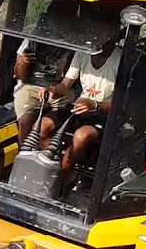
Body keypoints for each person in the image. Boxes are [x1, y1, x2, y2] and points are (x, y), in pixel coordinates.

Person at [41, 34, 122, 183]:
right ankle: (52, 167)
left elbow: (121, 103)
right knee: (42, 126)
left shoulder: (121, 59)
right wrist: (51, 90)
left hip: (104, 113)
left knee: (81, 136)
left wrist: (94, 105)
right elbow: (65, 85)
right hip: (79, 107)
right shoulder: (83, 52)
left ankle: (62, 178)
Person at [12, 0, 82, 143]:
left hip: (61, 89)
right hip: (30, 86)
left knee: (47, 128)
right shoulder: (34, 39)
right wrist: (23, 62)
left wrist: (68, 55)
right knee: (26, 124)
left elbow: (70, 81)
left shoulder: (76, 44)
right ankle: (24, 157)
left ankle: (48, 161)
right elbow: (19, 75)